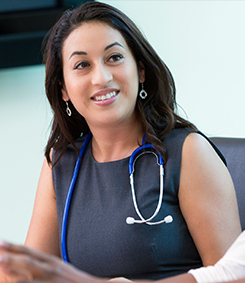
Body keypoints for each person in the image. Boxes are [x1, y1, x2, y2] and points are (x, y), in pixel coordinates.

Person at [0, 1, 242, 282]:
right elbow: (31, 274)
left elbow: (233, 277)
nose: (101, 77)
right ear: (63, 89)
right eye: (82, 65)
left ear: (140, 70)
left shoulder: (188, 153)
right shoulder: (60, 163)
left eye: (114, 58)